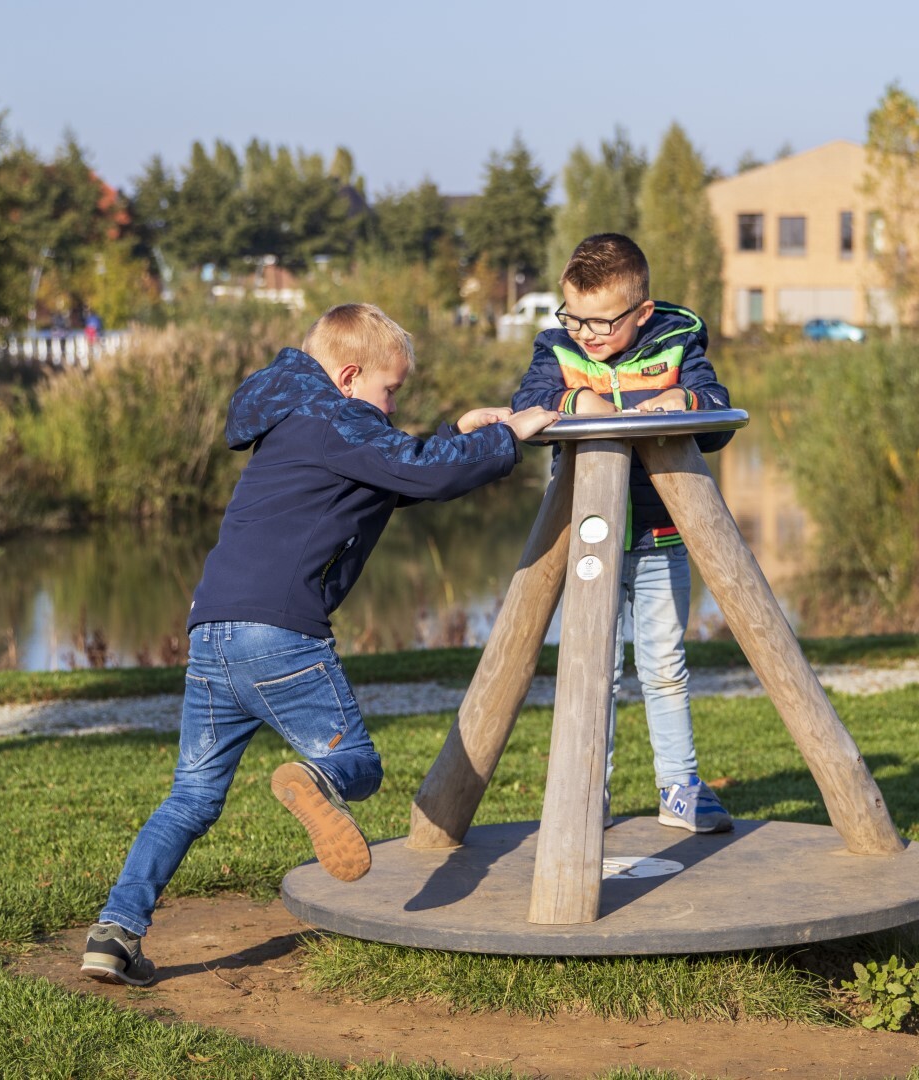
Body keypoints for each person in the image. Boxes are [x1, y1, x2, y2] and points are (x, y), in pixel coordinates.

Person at [81, 303, 557, 986]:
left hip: (211, 630)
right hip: (280, 630)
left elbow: (389, 472)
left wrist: (458, 432)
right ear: (350, 375)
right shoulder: (336, 418)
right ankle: (310, 778)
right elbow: (421, 471)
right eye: (390, 392)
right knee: (357, 767)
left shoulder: (297, 416)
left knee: (189, 797)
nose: (392, 407)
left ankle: (115, 932)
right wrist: (508, 437)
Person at [512, 233, 736, 836]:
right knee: (594, 668)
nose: (586, 334)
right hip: (591, 537)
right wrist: (573, 397)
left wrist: (680, 399)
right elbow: (528, 403)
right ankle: (590, 792)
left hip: (663, 531)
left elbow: (716, 406)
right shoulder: (557, 349)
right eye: (574, 318)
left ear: (641, 312)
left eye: (602, 322)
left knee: (664, 664)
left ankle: (680, 787)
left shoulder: (676, 342)